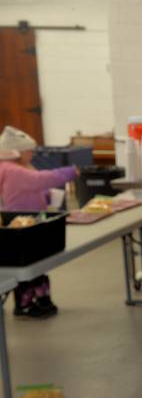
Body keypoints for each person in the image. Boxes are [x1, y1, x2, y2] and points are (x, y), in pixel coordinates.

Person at [0, 126, 78, 318]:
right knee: (28, 269)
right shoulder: (12, 170)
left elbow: (31, 188)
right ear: (16, 152)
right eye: (29, 151)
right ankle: (25, 304)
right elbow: (40, 180)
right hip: (22, 224)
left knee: (38, 266)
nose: (32, 154)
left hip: (30, 220)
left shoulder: (17, 168)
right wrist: (69, 172)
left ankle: (41, 299)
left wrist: (48, 197)